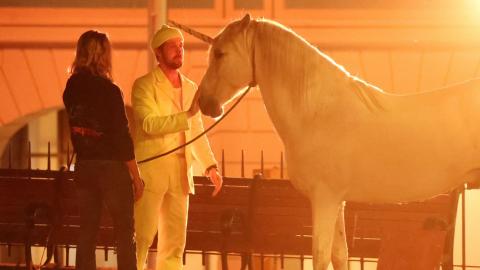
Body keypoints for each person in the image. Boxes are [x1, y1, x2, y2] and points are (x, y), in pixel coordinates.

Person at [132, 25, 223, 270]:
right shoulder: (144, 86)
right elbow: (149, 124)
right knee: (142, 237)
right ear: (158, 54)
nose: (178, 49)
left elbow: (196, 132)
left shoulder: (191, 88)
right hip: (151, 173)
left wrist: (209, 166)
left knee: (175, 244)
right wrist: (187, 115)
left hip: (181, 174)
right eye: (172, 46)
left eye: (181, 45)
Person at [63, 30, 144, 270]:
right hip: (111, 168)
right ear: (102, 55)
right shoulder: (110, 91)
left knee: (87, 231)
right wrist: (136, 177)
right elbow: (122, 136)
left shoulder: (72, 87)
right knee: (124, 232)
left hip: (85, 166)